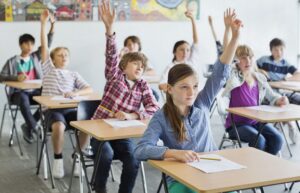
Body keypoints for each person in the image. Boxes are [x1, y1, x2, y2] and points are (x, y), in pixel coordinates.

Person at [134, 10, 242, 193]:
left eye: (194, 86)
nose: (191, 92)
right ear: (169, 89)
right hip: (181, 177)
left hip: (214, 170)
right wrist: (173, 153)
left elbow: (220, 71)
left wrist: (235, 37)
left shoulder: (202, 103)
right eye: (184, 87)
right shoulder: (162, 117)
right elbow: (141, 149)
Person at [90, 2, 159, 193]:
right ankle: (99, 188)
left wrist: (133, 116)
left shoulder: (143, 85)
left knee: (133, 158)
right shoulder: (115, 77)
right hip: (101, 131)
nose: (139, 68)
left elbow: (154, 108)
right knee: (106, 155)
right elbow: (111, 55)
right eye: (135, 64)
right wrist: (109, 29)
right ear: (124, 66)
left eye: (142, 66)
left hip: (122, 134)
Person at [40, 10, 93, 178]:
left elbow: (89, 89)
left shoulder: (73, 74)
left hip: (70, 109)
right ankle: (58, 159)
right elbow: (44, 46)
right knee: (59, 126)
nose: (63, 57)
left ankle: (77, 156)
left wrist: (75, 92)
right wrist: (44, 24)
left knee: (87, 125)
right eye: (60, 55)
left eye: (66, 55)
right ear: (53, 59)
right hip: (52, 111)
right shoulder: (48, 70)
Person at [0, 14, 55, 143]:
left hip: (34, 92)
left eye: (31, 43)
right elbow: (1, 76)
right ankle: (35, 127)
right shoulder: (12, 61)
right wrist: (15, 78)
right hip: (17, 94)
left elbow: (48, 42)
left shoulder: (36, 57)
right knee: (23, 97)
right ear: (21, 45)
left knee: (48, 98)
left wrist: (52, 25)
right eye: (26, 44)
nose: (29, 46)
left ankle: (28, 125)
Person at [223, 45, 284, 155]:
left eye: (250, 57)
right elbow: (226, 66)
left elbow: (272, 96)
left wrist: (279, 99)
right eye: (243, 58)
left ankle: (265, 166)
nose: (248, 61)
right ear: (236, 60)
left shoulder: (259, 78)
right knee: (259, 140)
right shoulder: (233, 76)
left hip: (255, 122)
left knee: (278, 138)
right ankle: (255, 168)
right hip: (236, 125)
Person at [257, 38, 299, 143]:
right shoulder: (264, 60)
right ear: (271, 50)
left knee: (293, 99)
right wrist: (260, 70)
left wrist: (286, 79)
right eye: (276, 50)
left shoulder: (286, 64)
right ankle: (290, 123)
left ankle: (288, 122)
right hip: (267, 92)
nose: (279, 52)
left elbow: (298, 75)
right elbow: (252, 68)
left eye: (281, 49)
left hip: (281, 91)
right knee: (282, 102)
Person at [158, 10, 199, 92]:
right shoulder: (171, 67)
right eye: (181, 50)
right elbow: (161, 85)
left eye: (188, 50)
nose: (185, 53)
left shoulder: (191, 62)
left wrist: (192, 19)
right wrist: (178, 90)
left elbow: (196, 41)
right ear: (174, 52)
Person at [121, 35, 160, 101]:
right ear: (125, 47)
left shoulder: (143, 58)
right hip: (126, 86)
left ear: (139, 46)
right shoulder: (123, 58)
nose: (131, 46)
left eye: (134, 44)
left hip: (141, 85)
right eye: (129, 44)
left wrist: (139, 72)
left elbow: (152, 72)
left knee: (155, 95)